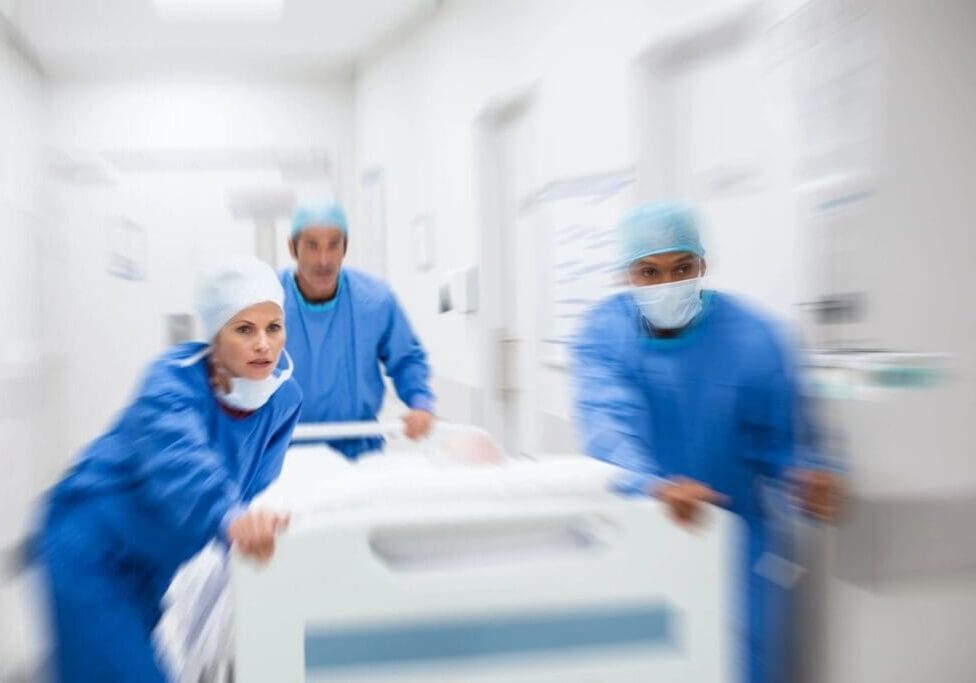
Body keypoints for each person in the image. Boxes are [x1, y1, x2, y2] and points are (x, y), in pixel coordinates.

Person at [570, 202, 842, 683]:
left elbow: (786, 436)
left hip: (738, 541)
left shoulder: (756, 337)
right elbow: (608, 423)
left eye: (681, 268)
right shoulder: (603, 333)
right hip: (642, 528)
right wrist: (651, 485)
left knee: (742, 663)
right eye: (648, 272)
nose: (665, 284)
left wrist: (807, 474)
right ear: (625, 276)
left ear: (703, 265)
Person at [36, 256, 302, 682]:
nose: (264, 345)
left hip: (155, 561)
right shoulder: (171, 382)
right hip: (92, 547)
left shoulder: (283, 400)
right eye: (244, 329)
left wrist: (255, 527)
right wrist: (231, 519)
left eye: (274, 327)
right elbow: (184, 465)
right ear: (216, 336)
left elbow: (252, 490)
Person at [280, 200, 435, 458]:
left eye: (333, 245)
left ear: (345, 247)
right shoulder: (265, 302)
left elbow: (406, 359)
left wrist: (420, 402)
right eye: (312, 246)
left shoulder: (374, 301)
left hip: (359, 455)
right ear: (292, 248)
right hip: (284, 456)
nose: (324, 260)